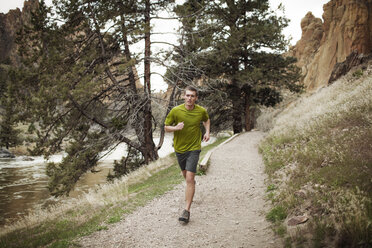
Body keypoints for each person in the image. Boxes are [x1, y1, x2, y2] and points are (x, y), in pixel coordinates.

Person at [164, 86, 210, 223]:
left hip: (194, 147)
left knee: (189, 177)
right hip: (179, 149)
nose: (190, 98)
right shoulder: (176, 111)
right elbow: (166, 127)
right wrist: (175, 128)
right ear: (184, 96)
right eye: (188, 96)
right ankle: (192, 186)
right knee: (186, 175)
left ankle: (186, 211)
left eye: (192, 96)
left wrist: (207, 132)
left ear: (196, 98)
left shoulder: (200, 111)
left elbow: (206, 120)